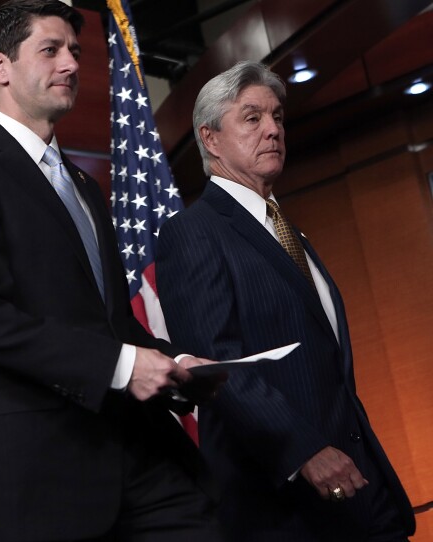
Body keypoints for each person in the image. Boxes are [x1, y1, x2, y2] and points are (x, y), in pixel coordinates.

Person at [0, 1, 223, 540]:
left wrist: (169, 361)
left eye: (75, 52)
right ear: (0, 66)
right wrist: (122, 365)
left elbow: (109, 322)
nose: (69, 65)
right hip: (42, 477)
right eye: (50, 50)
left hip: (138, 453)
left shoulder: (83, 186)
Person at [156, 60, 416, 541]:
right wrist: (302, 450)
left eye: (277, 117)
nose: (273, 129)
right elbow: (216, 365)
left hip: (361, 492)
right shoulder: (191, 234)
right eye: (252, 118)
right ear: (210, 139)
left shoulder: (286, 230)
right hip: (284, 506)